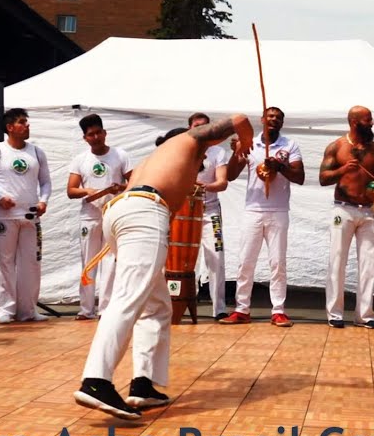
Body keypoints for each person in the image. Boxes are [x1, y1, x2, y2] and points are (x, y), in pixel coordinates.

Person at [74, 114, 253, 419]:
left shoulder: (156, 162)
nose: (202, 165)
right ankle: (96, 380)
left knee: (156, 307)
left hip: (125, 214)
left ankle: (143, 385)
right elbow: (239, 120)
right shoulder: (189, 141)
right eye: (204, 158)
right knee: (128, 298)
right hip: (143, 213)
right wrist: (247, 141)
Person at [222, 107, 305, 327]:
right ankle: (242, 309)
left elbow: (300, 177)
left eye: (278, 118)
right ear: (262, 120)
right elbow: (230, 175)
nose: (274, 120)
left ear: (282, 123)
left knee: (278, 262)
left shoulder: (289, 145)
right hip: (253, 210)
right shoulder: (250, 143)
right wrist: (237, 151)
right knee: (245, 261)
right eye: (270, 116)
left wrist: (280, 165)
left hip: (278, 212)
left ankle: (278, 310)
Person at [0, 108, 52, 324]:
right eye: (21, 122)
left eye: (27, 122)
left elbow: (45, 182)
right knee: (5, 263)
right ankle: (5, 309)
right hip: (5, 217)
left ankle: (28, 309)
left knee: (31, 263)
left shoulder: (36, 152)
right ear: (9, 127)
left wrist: (43, 201)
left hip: (30, 217)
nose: (27, 126)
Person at [318, 106, 374, 329]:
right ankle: (335, 313)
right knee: (337, 260)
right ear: (354, 122)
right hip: (344, 210)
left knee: (369, 264)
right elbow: (323, 178)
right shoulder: (337, 147)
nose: (371, 124)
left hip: (369, 210)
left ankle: (365, 315)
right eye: (368, 120)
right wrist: (342, 171)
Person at [67, 114, 132, 320]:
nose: (95, 137)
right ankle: (86, 309)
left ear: (105, 133)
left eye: (98, 133)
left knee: (111, 262)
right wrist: (87, 191)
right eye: (90, 135)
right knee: (88, 262)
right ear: (85, 138)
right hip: (90, 217)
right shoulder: (81, 160)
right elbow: (71, 190)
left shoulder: (120, 155)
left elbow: (134, 182)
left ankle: (106, 309)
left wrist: (119, 187)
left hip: (113, 216)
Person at [188, 112, 232, 320]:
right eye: (197, 126)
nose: (202, 130)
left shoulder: (218, 152)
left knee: (216, 256)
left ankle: (219, 309)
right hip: (185, 212)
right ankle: (181, 303)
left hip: (210, 211)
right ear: (190, 128)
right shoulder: (183, 148)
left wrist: (204, 186)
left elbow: (222, 182)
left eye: (205, 126)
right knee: (184, 259)